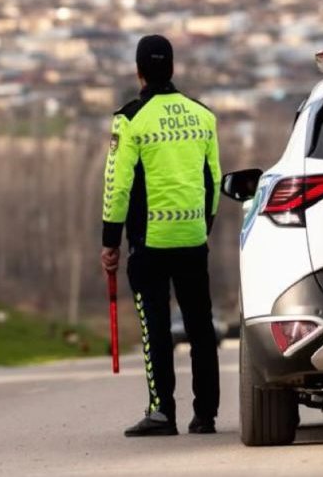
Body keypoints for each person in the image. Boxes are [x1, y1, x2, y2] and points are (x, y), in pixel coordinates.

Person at [100, 34, 221, 437]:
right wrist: (206, 224)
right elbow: (214, 179)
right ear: (171, 68)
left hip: (149, 242)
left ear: (139, 72)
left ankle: (161, 412)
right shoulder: (203, 115)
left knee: (155, 327)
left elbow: (116, 186)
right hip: (192, 235)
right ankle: (205, 415)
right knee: (201, 327)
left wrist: (109, 241)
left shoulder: (130, 118)